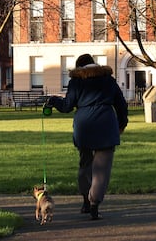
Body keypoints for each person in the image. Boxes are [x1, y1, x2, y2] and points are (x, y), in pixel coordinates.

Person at [46, 53, 129, 220]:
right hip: (106, 123)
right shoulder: (108, 80)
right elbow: (121, 104)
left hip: (84, 125)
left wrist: (53, 100)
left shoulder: (76, 82)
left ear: (79, 67)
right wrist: (121, 124)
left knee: (85, 163)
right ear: (94, 64)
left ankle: (85, 199)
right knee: (102, 169)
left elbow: (67, 106)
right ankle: (94, 203)